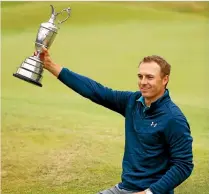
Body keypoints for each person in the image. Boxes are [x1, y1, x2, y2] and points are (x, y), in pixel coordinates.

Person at [37, 47, 194, 194]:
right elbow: (96, 91)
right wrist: (50, 65)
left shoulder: (173, 118)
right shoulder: (132, 101)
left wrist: (149, 192)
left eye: (150, 77)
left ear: (165, 79)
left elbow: (184, 165)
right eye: (140, 76)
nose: (143, 82)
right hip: (126, 188)